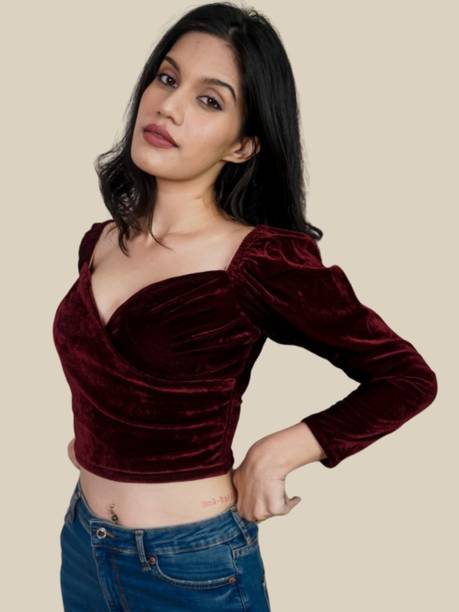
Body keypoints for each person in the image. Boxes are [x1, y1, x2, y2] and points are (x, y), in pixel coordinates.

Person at [54, 3, 437, 610]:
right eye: (167, 77)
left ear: (243, 145)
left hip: (190, 566)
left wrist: (278, 452)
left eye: (210, 100)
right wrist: (99, 445)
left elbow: (407, 378)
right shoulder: (101, 241)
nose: (169, 106)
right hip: (84, 547)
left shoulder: (258, 261)